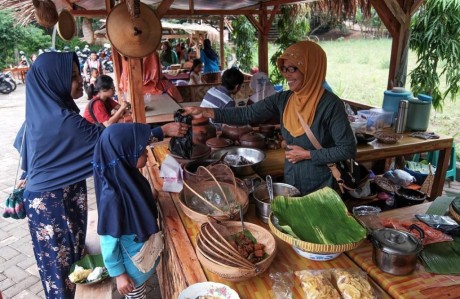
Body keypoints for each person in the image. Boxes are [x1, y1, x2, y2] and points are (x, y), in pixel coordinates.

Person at [185, 41, 356, 195]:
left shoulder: (331, 105)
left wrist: (307, 154)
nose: (286, 75)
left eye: (293, 69)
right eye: (284, 69)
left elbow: (347, 149)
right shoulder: (284, 98)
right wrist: (208, 112)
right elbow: (247, 113)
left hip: (321, 184)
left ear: (311, 68)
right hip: (292, 179)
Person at [15, 52, 103, 298]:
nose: (80, 81)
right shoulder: (63, 121)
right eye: (73, 77)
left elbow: (25, 151)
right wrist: (158, 131)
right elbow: (107, 143)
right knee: (61, 274)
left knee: (66, 262)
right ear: (54, 81)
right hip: (53, 204)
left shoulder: (43, 113)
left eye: (78, 74)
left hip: (53, 199)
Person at [93, 123, 162, 298]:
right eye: (140, 151)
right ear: (124, 154)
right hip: (131, 270)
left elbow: (139, 199)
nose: (146, 152)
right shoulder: (113, 197)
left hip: (143, 256)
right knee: (137, 295)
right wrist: (119, 274)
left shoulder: (128, 175)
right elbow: (108, 241)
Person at [119, 51, 184, 103]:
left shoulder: (126, 53)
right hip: (151, 87)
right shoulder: (152, 53)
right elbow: (156, 76)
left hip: (137, 88)